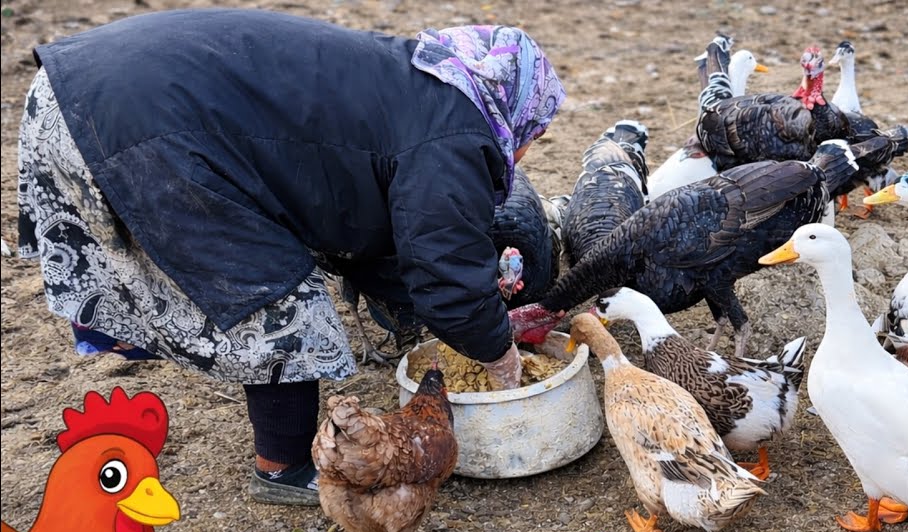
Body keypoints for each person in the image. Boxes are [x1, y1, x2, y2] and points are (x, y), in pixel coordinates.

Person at [15, 9, 566, 505]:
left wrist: (451, 310)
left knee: (271, 266)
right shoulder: (455, 135)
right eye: (534, 134)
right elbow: (447, 278)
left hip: (80, 86)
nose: (523, 150)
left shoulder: (423, 85)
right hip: (135, 118)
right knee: (275, 296)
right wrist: (501, 358)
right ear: (514, 108)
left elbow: (365, 215)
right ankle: (282, 468)